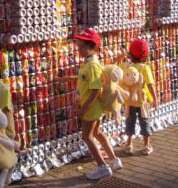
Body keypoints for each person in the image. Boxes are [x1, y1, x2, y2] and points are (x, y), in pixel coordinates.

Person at [60, 29, 122, 180]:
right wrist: (69, 78)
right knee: (97, 134)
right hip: (94, 107)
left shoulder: (92, 66)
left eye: (82, 46)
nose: (79, 49)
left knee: (87, 137)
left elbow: (96, 90)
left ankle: (102, 167)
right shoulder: (90, 64)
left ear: (94, 48)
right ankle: (114, 160)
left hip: (91, 108)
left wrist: (83, 109)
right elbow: (85, 79)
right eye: (79, 45)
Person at [119, 38, 157, 155]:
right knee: (144, 121)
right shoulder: (145, 68)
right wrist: (155, 98)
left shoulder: (125, 66)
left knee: (129, 121)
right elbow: (150, 84)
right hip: (141, 101)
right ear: (145, 55)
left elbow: (117, 74)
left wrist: (119, 59)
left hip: (129, 101)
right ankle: (146, 145)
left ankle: (129, 144)